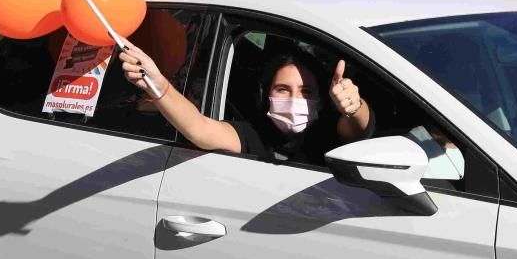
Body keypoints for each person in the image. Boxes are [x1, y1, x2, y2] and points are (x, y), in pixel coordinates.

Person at [118, 42, 374, 164]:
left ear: (320, 98)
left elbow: (360, 128)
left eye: (306, 91)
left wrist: (355, 105)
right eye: (283, 89)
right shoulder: (252, 133)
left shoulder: (328, 130)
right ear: (266, 95)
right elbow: (199, 128)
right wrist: (159, 84)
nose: (296, 100)